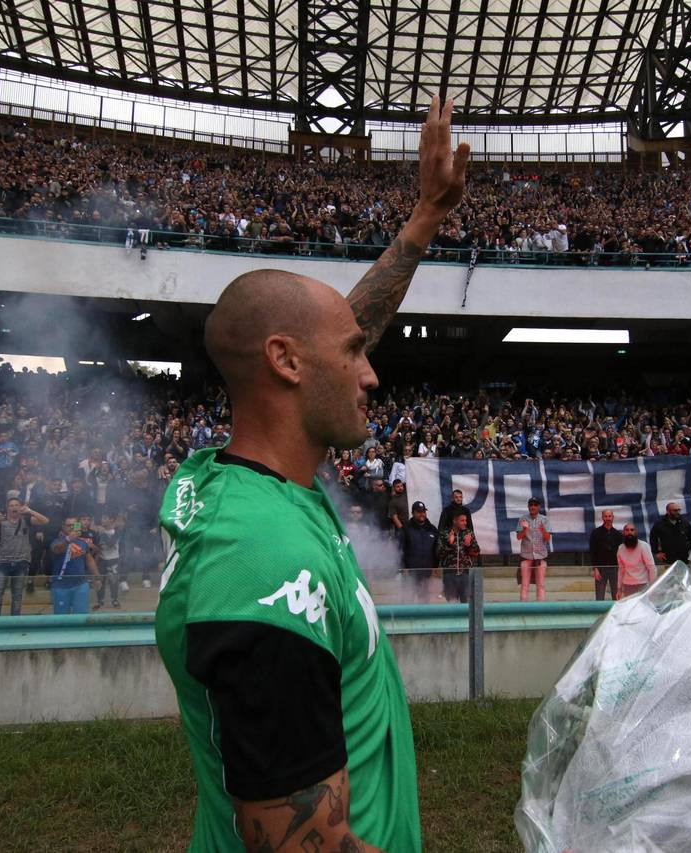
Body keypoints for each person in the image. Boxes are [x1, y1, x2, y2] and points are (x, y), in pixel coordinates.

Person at [153, 97, 467, 852]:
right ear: (285, 362)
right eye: (357, 354)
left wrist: (425, 215)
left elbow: (328, 344)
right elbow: (299, 846)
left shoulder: (253, 485)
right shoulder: (263, 556)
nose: (373, 374)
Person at [0, 497, 47, 616]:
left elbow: (45, 521)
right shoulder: (1, 521)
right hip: (3, 561)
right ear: (7, 508)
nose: (14, 507)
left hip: (21, 561)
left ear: (20, 507)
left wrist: (30, 510)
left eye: (16, 505)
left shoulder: (26, 519)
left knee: (17, 594)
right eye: (11, 505)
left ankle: (15, 621)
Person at [49, 517, 99, 614]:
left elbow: (89, 561)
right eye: (68, 525)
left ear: (78, 527)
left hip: (80, 585)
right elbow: (56, 549)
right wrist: (68, 540)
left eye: (74, 525)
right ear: (63, 527)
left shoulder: (83, 542)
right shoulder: (56, 541)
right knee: (61, 618)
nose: (71, 527)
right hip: (60, 586)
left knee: (82, 616)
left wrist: (97, 577)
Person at [400, 500, 439, 603]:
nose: (422, 514)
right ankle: (407, 619)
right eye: (419, 512)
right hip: (410, 572)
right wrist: (403, 568)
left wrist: (435, 567)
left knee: (425, 599)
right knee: (408, 599)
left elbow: (436, 550)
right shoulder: (406, 528)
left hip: (426, 572)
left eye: (423, 511)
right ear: (413, 513)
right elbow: (400, 549)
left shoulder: (432, 529)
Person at [438, 511, 479, 603]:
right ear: (454, 521)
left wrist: (469, 546)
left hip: (465, 574)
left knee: (467, 603)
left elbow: (477, 552)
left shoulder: (468, 533)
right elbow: (439, 553)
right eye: (462, 520)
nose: (465, 523)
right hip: (449, 574)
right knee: (452, 603)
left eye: (466, 520)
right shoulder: (444, 533)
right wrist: (450, 544)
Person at [516, 497, 552, 601]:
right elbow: (518, 537)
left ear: (539, 507)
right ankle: (523, 609)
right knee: (524, 585)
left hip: (540, 556)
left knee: (540, 585)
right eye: (531, 505)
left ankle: (540, 609)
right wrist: (525, 529)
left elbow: (548, 538)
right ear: (528, 506)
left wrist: (543, 530)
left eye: (535, 505)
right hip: (526, 556)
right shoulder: (523, 519)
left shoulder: (545, 520)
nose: (532, 507)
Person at [588, 509, 622, 601]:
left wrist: (621, 569)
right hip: (600, 568)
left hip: (615, 568)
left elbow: (621, 553)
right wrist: (595, 568)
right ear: (602, 517)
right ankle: (599, 614)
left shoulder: (618, 534)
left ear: (613, 517)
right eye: (605, 516)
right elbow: (592, 552)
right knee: (599, 596)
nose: (608, 518)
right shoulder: (595, 533)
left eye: (609, 516)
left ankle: (616, 614)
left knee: (617, 595)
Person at [616, 522, 657, 598]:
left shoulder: (644, 546)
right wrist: (619, 589)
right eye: (627, 530)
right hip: (627, 585)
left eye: (632, 530)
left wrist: (652, 587)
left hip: (643, 584)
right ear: (623, 532)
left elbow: (651, 568)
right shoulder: (620, 548)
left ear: (636, 532)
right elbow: (621, 570)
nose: (629, 532)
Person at [649, 501, 691, 566]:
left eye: (679, 510)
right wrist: (657, 553)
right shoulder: (659, 524)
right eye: (675, 510)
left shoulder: (684, 523)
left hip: (683, 559)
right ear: (668, 511)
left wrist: (689, 548)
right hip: (667, 560)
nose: (678, 512)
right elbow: (653, 539)